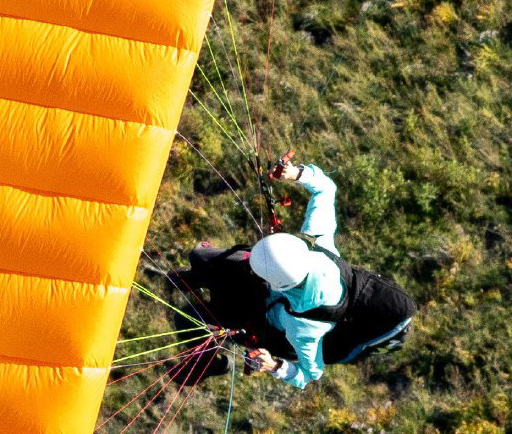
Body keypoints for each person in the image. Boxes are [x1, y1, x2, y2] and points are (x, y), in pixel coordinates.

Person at [169, 160, 416, 389]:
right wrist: (295, 173)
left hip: (263, 318)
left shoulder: (304, 328)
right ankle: (194, 280)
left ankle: (212, 364)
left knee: (188, 317)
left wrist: (274, 366)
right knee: (200, 258)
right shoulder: (319, 244)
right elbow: (325, 189)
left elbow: (310, 374)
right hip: (265, 285)